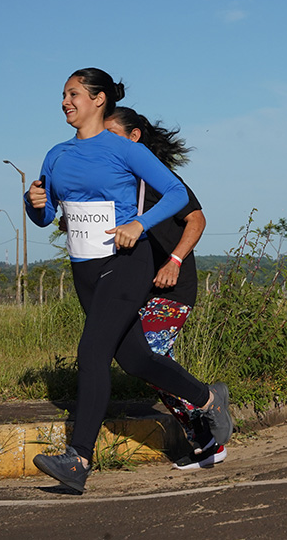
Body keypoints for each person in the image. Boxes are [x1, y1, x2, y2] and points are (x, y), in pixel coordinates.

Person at [25, 68, 232, 493]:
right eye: (63, 95)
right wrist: (33, 203)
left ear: (99, 99)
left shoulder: (123, 149)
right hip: (84, 268)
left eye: (74, 94)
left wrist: (139, 224)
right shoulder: (56, 155)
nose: (65, 102)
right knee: (135, 359)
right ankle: (209, 398)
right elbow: (46, 216)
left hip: (125, 261)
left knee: (92, 351)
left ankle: (78, 459)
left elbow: (177, 194)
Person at [104, 106, 225, 470]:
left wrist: (174, 260)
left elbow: (197, 219)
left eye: (111, 135)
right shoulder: (112, 182)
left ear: (134, 137)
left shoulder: (156, 178)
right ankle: (206, 432)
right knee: (146, 362)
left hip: (171, 286)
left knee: (151, 354)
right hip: (134, 287)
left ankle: (209, 418)